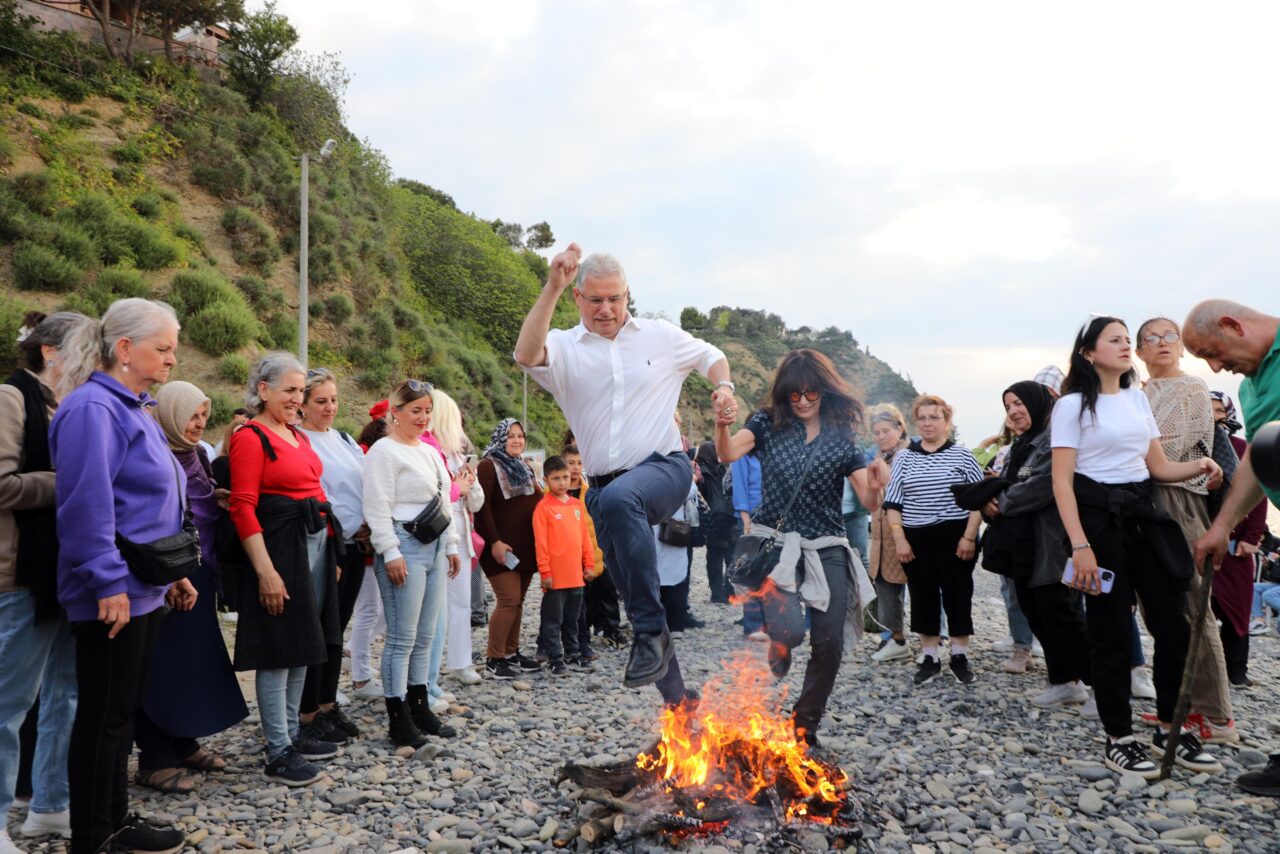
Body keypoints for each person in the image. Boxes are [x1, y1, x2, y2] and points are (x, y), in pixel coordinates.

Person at [515, 246, 733, 706]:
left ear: (627, 295)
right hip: (604, 490)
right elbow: (526, 353)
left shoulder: (659, 336)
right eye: (595, 300)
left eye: (614, 298)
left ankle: (650, 631)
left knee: (621, 506)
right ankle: (679, 702)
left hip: (664, 468)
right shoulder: (565, 348)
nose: (606, 309)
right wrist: (551, 286)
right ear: (578, 298)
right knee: (633, 592)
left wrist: (723, 387)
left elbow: (711, 355)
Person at [51, 299, 196, 854]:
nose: (172, 359)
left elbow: (146, 504)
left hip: (141, 586)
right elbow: (86, 506)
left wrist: (171, 574)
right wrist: (108, 580)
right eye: (163, 348)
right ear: (126, 349)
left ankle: (115, 820)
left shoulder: (132, 407)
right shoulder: (94, 409)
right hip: (113, 591)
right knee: (104, 716)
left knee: (122, 712)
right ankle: (93, 837)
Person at [1051, 316, 1223, 779]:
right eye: (1116, 340)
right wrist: (1080, 545)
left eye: (1129, 340)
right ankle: (1118, 738)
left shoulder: (1136, 398)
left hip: (1143, 513)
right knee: (1109, 631)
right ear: (1088, 353)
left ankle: (1170, 727)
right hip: (1096, 522)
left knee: (1173, 625)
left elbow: (1158, 466)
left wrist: (1201, 465)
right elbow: (1061, 483)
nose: (1127, 346)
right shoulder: (1071, 406)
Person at [714, 349, 885, 744]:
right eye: (795, 394)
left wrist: (877, 486)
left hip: (827, 543)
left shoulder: (842, 435)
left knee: (829, 641)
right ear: (785, 394)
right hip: (777, 544)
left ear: (825, 391)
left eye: (812, 393)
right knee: (790, 631)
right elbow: (727, 452)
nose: (804, 401)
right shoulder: (767, 422)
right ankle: (780, 643)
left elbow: (869, 501)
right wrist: (722, 426)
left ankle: (805, 725)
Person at [229, 352, 343, 787]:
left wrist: (330, 554)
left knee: (303, 641)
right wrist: (265, 571)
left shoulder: (295, 434)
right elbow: (243, 507)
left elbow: (315, 489)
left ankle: (292, 733)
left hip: (312, 544)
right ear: (263, 390)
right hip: (280, 547)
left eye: (300, 391)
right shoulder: (251, 437)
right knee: (279, 647)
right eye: (289, 390)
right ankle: (277, 749)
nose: (297, 398)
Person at [1183, 300, 1280, 797]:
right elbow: (1258, 462)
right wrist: (1221, 525)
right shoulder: (1251, 385)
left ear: (1232, 325)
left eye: (1212, 353)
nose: (1216, 367)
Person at [133, 382, 248, 796]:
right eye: (189, 416)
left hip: (199, 569)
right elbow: (152, 513)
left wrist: (215, 497)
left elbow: (196, 503)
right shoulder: (152, 453)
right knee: (161, 665)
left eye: (203, 416)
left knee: (191, 661)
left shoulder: (197, 455)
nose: (198, 424)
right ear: (168, 415)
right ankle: (154, 758)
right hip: (165, 572)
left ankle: (183, 743)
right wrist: (167, 577)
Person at [0, 313, 85, 850]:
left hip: (65, 573)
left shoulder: (67, 405)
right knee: (8, 705)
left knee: (64, 693)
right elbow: (2, 484)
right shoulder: (10, 399)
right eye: (85, 349)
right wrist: (74, 482)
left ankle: (50, 806)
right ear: (50, 351)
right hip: (20, 573)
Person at [1135, 316, 1237, 743]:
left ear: (1180, 346)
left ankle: (1217, 715)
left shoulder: (1192, 387)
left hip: (1180, 499)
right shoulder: (1139, 392)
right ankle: (1179, 704)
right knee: (1158, 610)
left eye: (1169, 336)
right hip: (1144, 503)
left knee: (1195, 606)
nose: (1161, 343)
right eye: (1151, 338)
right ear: (1139, 351)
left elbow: (1173, 449)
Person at [984, 381, 1093, 710]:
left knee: (1061, 614)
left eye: (1019, 403)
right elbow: (1010, 481)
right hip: (1023, 544)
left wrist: (1000, 501)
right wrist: (989, 498)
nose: (1013, 411)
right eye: (1008, 406)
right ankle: (1065, 682)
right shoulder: (1021, 444)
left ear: (1038, 402)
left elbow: (1043, 485)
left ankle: (1101, 687)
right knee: (1035, 611)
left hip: (1052, 541)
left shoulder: (1052, 439)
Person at [363, 379, 460, 747]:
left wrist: (452, 545)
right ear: (396, 412)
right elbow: (377, 505)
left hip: (434, 544)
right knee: (402, 637)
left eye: (427, 411)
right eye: (415, 410)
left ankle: (420, 708)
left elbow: (444, 500)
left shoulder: (429, 452)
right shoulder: (383, 452)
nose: (423, 417)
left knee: (425, 635)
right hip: (404, 544)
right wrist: (390, 551)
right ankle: (398, 719)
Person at [882, 394, 984, 686]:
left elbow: (979, 500)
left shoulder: (963, 455)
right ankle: (930, 657)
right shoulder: (904, 457)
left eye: (934, 417)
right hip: (916, 537)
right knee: (922, 594)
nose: (928, 423)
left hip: (957, 536)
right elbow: (893, 503)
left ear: (946, 421)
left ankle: (959, 656)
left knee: (958, 593)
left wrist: (969, 537)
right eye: (922, 418)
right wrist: (900, 539)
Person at [297, 369, 368, 741]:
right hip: (327, 545)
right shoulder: (299, 440)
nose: (329, 407)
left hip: (355, 544)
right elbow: (320, 495)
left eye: (334, 400)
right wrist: (351, 526)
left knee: (338, 629)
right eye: (321, 401)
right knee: (319, 628)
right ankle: (307, 709)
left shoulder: (343, 438)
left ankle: (327, 702)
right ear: (303, 404)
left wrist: (369, 523)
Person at [474, 418, 543, 680]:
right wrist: (494, 541)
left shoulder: (524, 466)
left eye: (520, 436)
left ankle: (511, 652)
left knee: (518, 602)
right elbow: (482, 509)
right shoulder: (488, 465)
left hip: (525, 548)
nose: (516, 440)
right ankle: (494, 658)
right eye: (511, 436)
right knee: (509, 599)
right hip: (501, 547)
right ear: (501, 438)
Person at [1207, 392, 1267, 687]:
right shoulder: (1193, 447)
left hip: (1235, 547)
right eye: (1207, 410)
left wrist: (1252, 537)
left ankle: (1236, 671)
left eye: (1219, 410)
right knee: (1200, 611)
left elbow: (1259, 494)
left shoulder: (1242, 448)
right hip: (1200, 543)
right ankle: (1207, 674)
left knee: (1238, 610)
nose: (1213, 416)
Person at [428, 389, 486, 688]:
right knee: (432, 608)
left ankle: (461, 662)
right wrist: (457, 487)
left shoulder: (459, 456)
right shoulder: (428, 452)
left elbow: (476, 502)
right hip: (436, 536)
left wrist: (470, 482)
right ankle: (426, 671)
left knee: (461, 601)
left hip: (461, 536)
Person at [533, 455, 596, 676]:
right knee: (553, 620)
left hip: (576, 574)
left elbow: (585, 538)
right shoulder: (543, 508)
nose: (562, 483)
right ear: (546, 480)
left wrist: (589, 563)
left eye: (565, 477)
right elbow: (541, 544)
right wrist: (545, 572)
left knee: (572, 619)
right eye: (556, 478)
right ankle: (555, 658)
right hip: (556, 577)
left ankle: (573, 653)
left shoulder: (576, 505)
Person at [348, 404, 389, 699]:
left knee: (380, 610)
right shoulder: (366, 453)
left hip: (375, 542)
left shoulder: (367, 450)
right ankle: (361, 676)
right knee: (369, 609)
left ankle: (355, 653)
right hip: (367, 542)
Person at [866, 404, 912, 663]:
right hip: (881, 535)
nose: (881, 436)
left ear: (900, 429)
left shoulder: (912, 456)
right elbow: (872, 503)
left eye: (886, 431)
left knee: (923, 588)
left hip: (907, 532)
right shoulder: (877, 459)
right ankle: (894, 638)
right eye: (876, 432)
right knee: (885, 586)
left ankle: (937, 639)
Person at [563, 444, 607, 660]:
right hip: (563, 557)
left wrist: (596, 559)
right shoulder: (551, 493)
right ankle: (554, 643)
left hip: (586, 556)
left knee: (583, 603)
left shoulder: (588, 493)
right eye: (570, 463)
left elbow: (595, 529)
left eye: (579, 463)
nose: (575, 467)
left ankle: (583, 642)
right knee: (561, 604)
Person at [695, 441, 737, 604]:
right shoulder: (721, 470)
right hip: (728, 515)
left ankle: (717, 593)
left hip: (713, 518)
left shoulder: (700, 472)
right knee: (730, 555)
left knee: (714, 557)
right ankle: (729, 591)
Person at [731, 451, 766, 641]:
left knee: (769, 570)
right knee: (749, 571)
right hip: (750, 517)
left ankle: (769, 623)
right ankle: (753, 624)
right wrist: (745, 518)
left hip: (772, 517)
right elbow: (740, 487)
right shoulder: (742, 454)